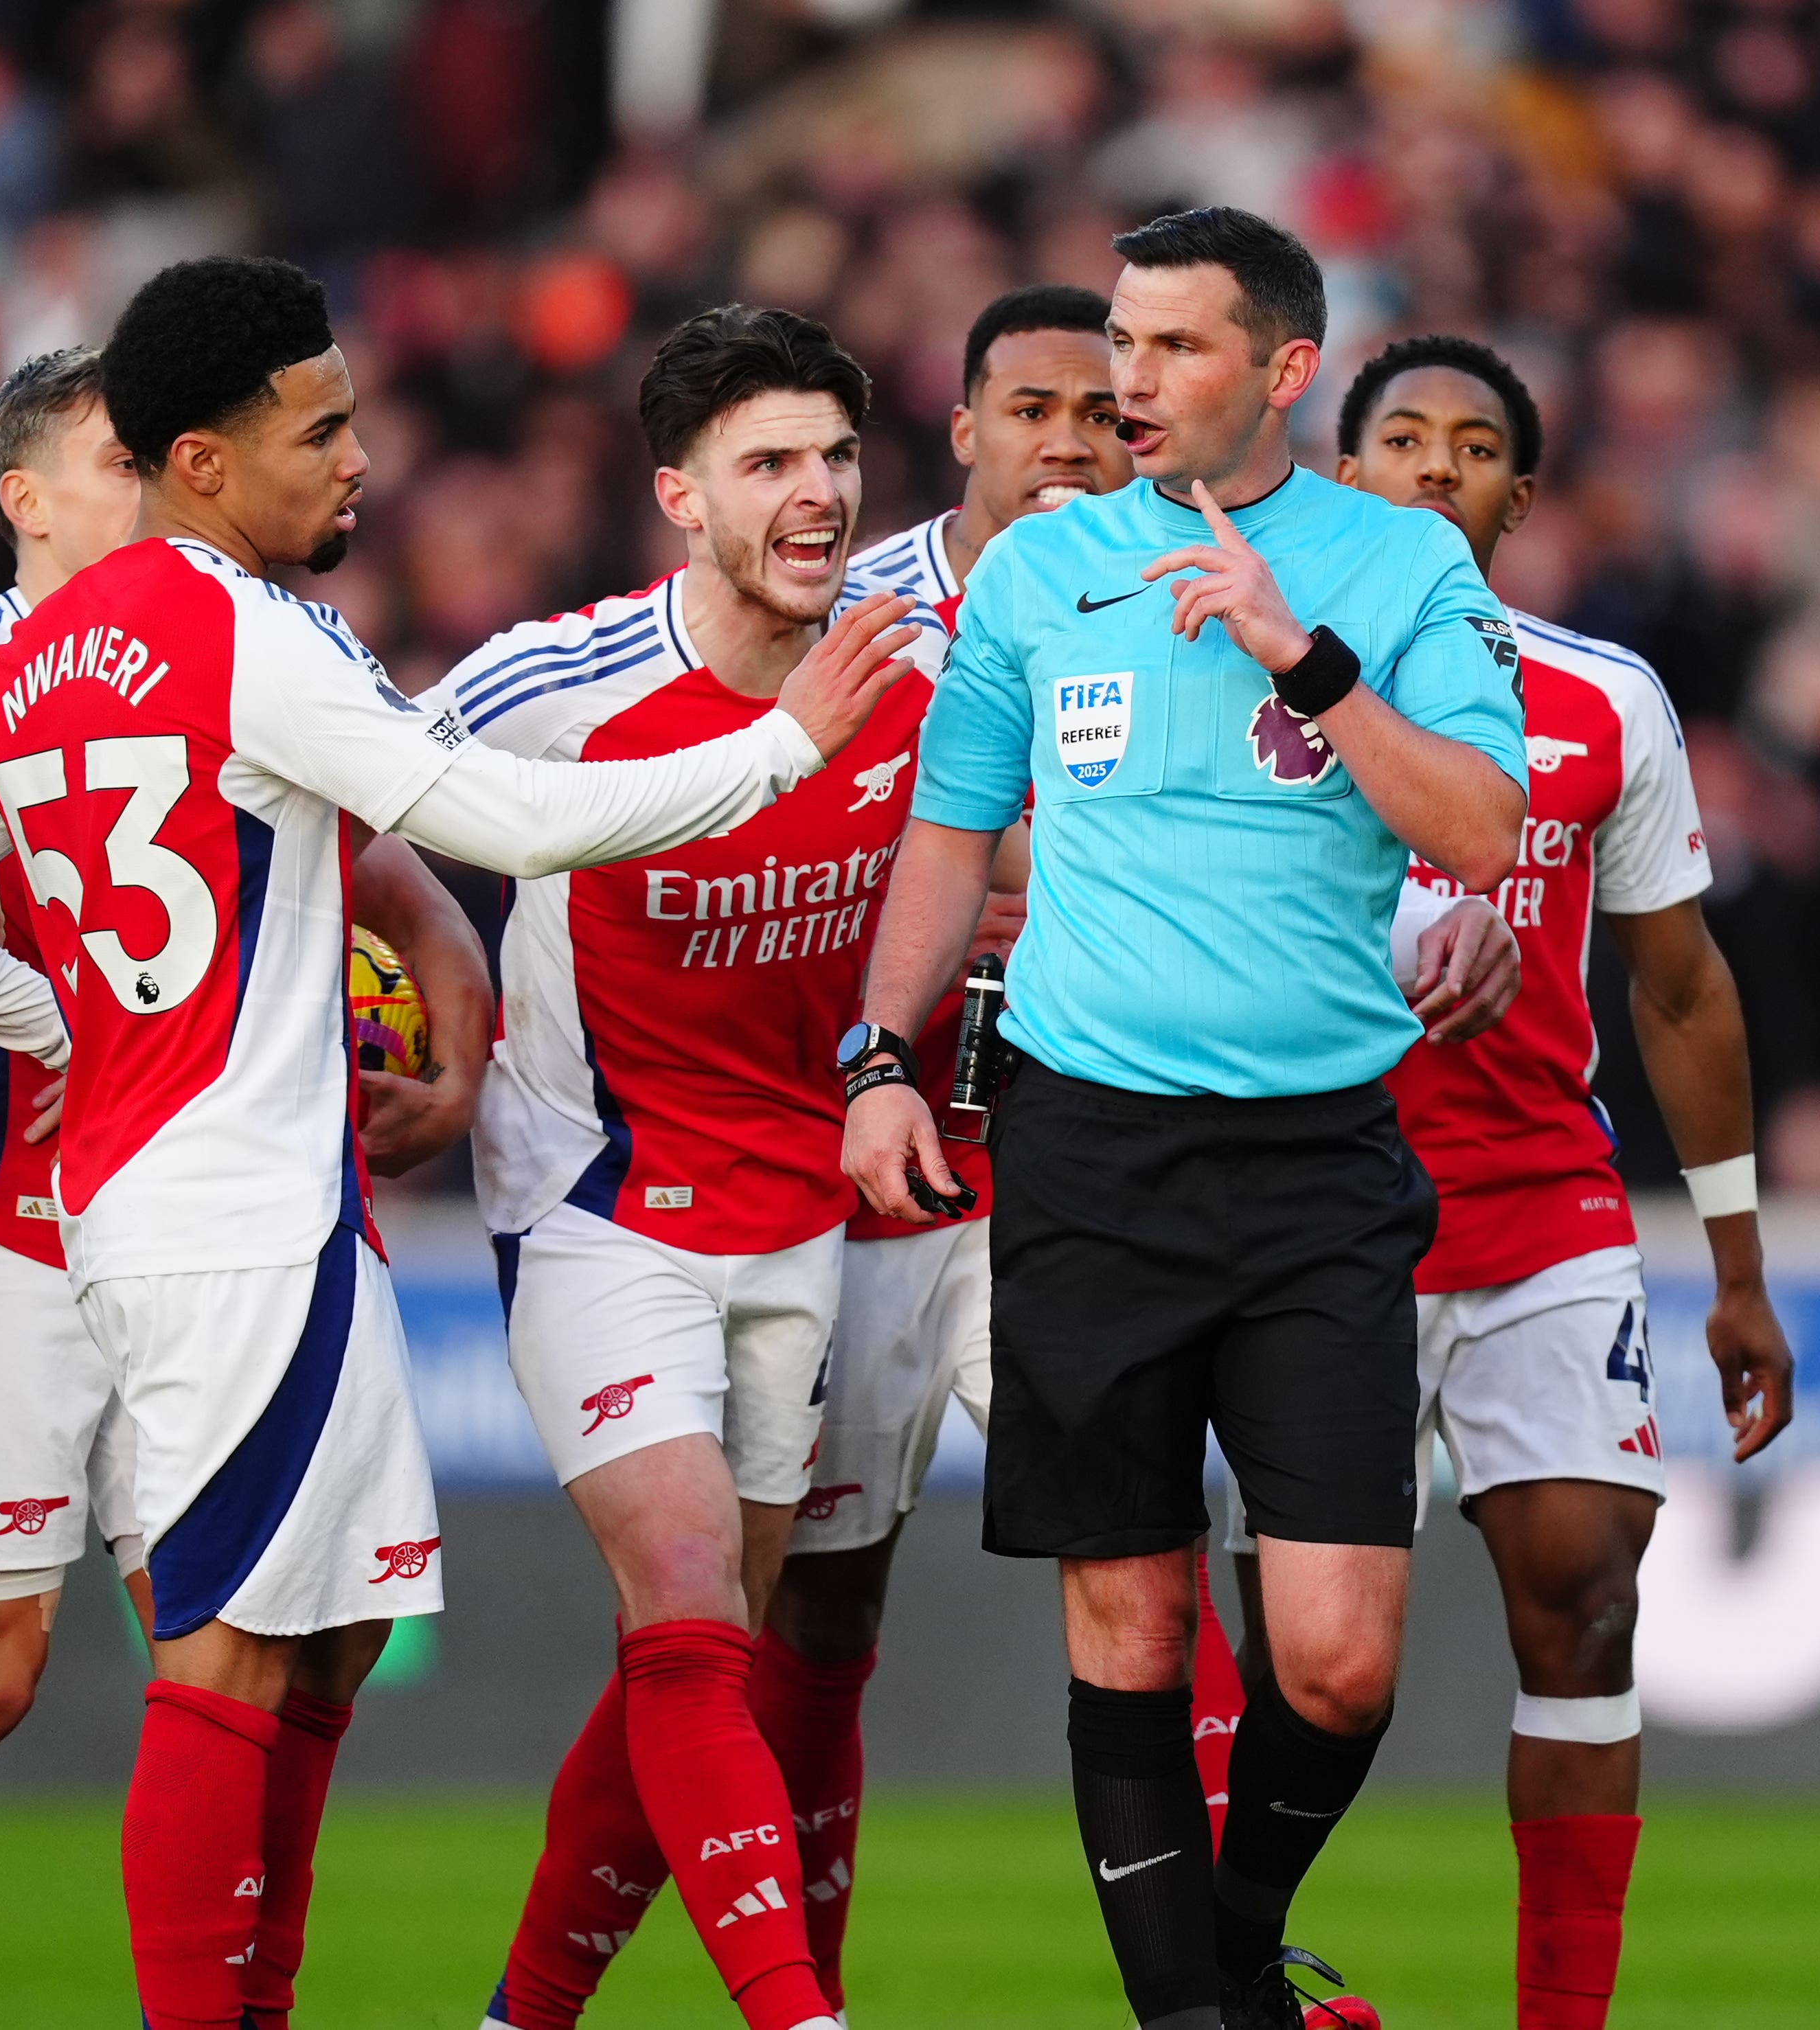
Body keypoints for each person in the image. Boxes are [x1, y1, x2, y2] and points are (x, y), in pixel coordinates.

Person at [0, 253, 919, 2030]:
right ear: (198, 458)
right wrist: (785, 746)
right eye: (318, 427)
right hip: (238, 1210)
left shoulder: (30, 656)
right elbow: (493, 812)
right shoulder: (252, 636)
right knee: (228, 1664)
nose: (356, 457)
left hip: (133, 1191)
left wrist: (40, 1005)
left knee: (300, 1651)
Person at [842, 207, 1529, 2030]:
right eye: (1119, 346)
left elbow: (1474, 831)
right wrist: (878, 1053)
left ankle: (1226, 1949)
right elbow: (947, 826)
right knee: (1131, 1625)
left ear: (1285, 372)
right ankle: (1195, 2017)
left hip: (1315, 1166)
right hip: (1086, 1151)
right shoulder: (1037, 573)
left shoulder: (1399, 569)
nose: (1124, 384)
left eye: (1172, 350)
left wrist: (1305, 660)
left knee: (1338, 1659)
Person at [0, 347, 493, 2030]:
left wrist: (446, 955)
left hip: (244, 1195)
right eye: (117, 461)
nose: (166, 489)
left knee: (307, 1636)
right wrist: (68, 908)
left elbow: (392, 830)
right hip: (11, 1222)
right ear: (26, 499)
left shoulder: (268, 637)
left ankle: (239, 2000)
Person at [1229, 332, 1793, 2030]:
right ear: (1347, 466)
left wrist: (1740, 1264)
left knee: (1590, 1603)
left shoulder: (1602, 699)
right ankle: (1231, 1976)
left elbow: (1678, 982)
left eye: (1476, 447)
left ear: (1519, 498)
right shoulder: (1246, 686)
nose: (1437, 464)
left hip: (1545, 1212)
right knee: (1318, 1665)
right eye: (1402, 435)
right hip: (1319, 1216)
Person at [444, 303, 944, 2030]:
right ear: (680, 496)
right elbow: (329, 817)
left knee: (699, 1654)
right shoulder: (549, 685)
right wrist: (434, 1008)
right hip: (599, 1203)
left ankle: (523, 2013)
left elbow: (996, 867)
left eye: (832, 459)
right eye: (769, 465)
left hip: (799, 1218)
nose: (815, 495)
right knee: (678, 1605)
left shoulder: (918, 674)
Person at [757, 284, 1120, 2005]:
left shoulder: (1184, 598)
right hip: (866, 1164)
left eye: (1102, 413)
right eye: (1031, 408)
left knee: (1143, 1545)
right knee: (823, 1607)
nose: (1069, 440)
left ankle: (1215, 1970)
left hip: (1073, 1155)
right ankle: (805, 1987)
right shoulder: (856, 615)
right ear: (963, 429)